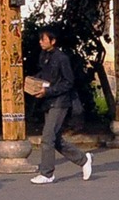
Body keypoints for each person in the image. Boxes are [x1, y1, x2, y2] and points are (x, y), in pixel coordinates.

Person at [29, 28, 93, 184]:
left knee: (47, 137)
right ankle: (83, 159)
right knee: (55, 139)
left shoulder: (62, 58)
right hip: (48, 101)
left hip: (60, 101)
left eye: (43, 39)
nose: (40, 42)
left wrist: (49, 90)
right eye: (40, 39)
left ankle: (47, 173)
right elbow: (44, 75)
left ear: (53, 41)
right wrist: (33, 82)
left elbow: (68, 82)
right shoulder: (43, 56)